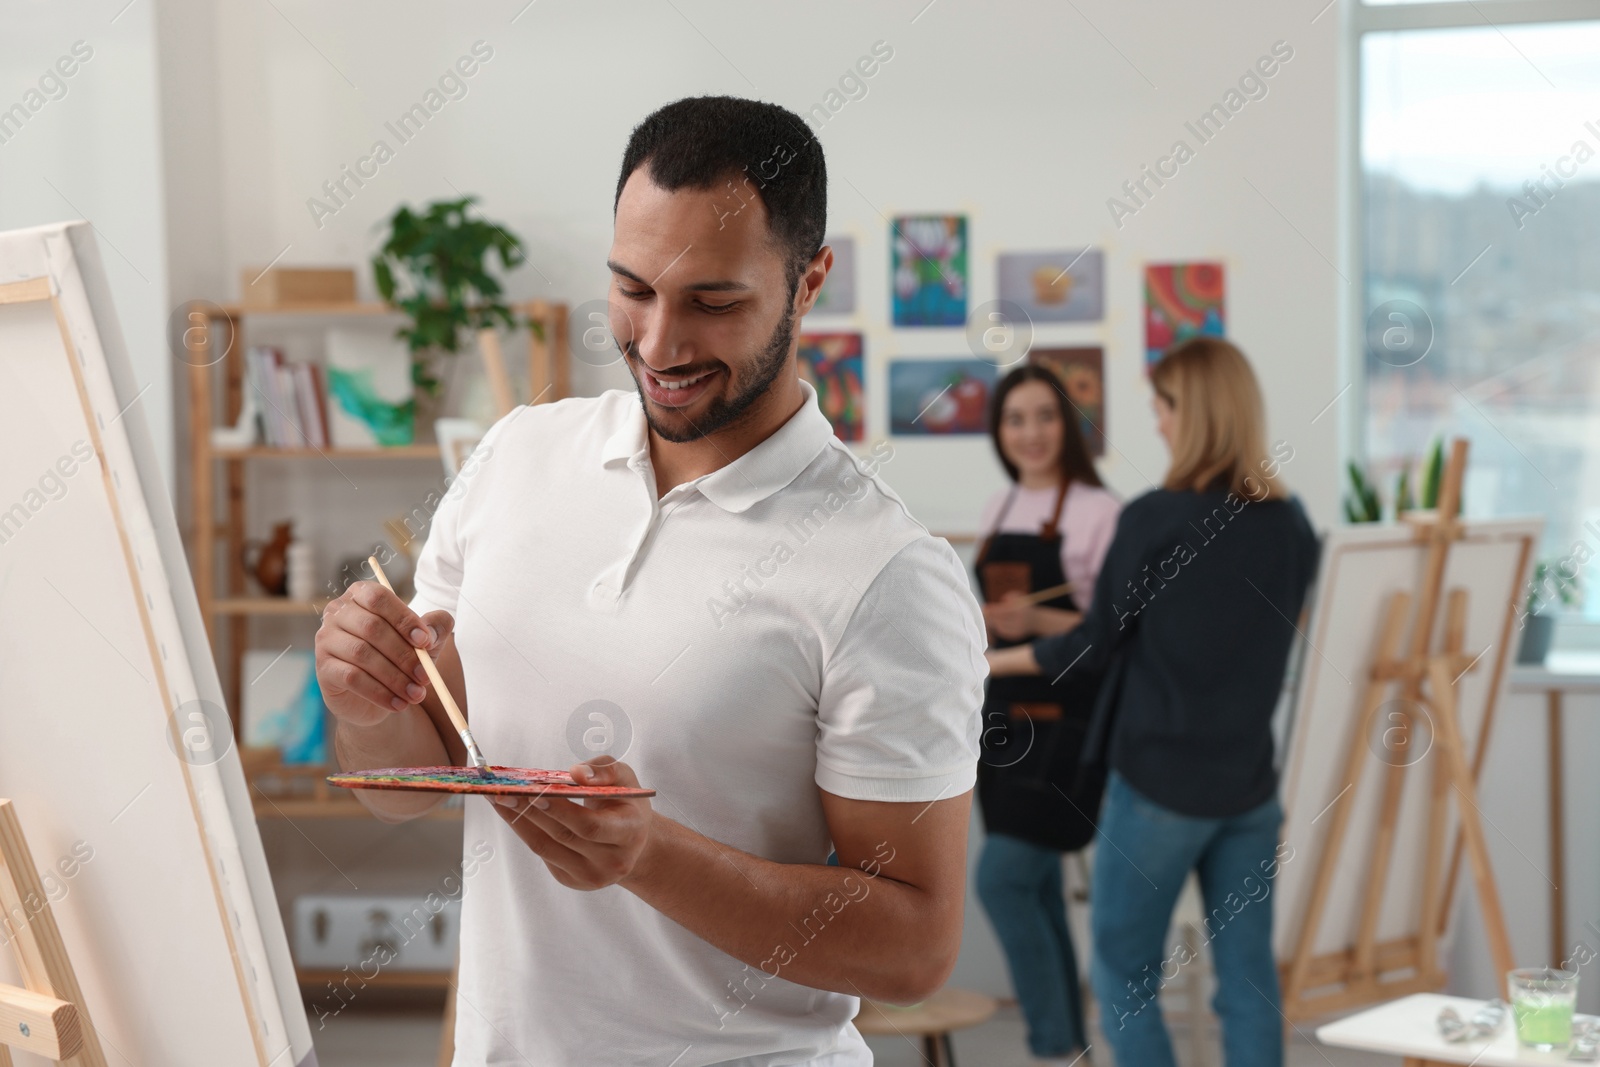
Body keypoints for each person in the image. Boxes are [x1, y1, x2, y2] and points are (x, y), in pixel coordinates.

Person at [314, 96, 988, 1066]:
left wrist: (651, 856)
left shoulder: (886, 570)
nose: (661, 343)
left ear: (809, 283)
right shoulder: (516, 458)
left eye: (713, 301)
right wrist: (363, 693)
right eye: (632, 289)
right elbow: (409, 782)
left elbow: (916, 944)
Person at [987, 337, 1319, 1067]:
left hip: (1159, 787)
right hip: (1250, 790)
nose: (1159, 422)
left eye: (1163, 407)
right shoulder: (1292, 527)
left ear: (1192, 412)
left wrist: (991, 660)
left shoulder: (1156, 519)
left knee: (1125, 976)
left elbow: (1093, 642)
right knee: (1249, 982)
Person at [972, 365, 1120, 1066]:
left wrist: (1039, 617)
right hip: (1001, 718)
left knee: (1000, 879)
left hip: (1068, 724)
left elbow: (1114, 632)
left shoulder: (1100, 510)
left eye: (1044, 416)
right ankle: (1072, 1052)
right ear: (999, 431)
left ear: (1069, 424)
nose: (1030, 433)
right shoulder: (997, 508)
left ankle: (1050, 1049)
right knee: (1038, 890)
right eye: (1015, 419)